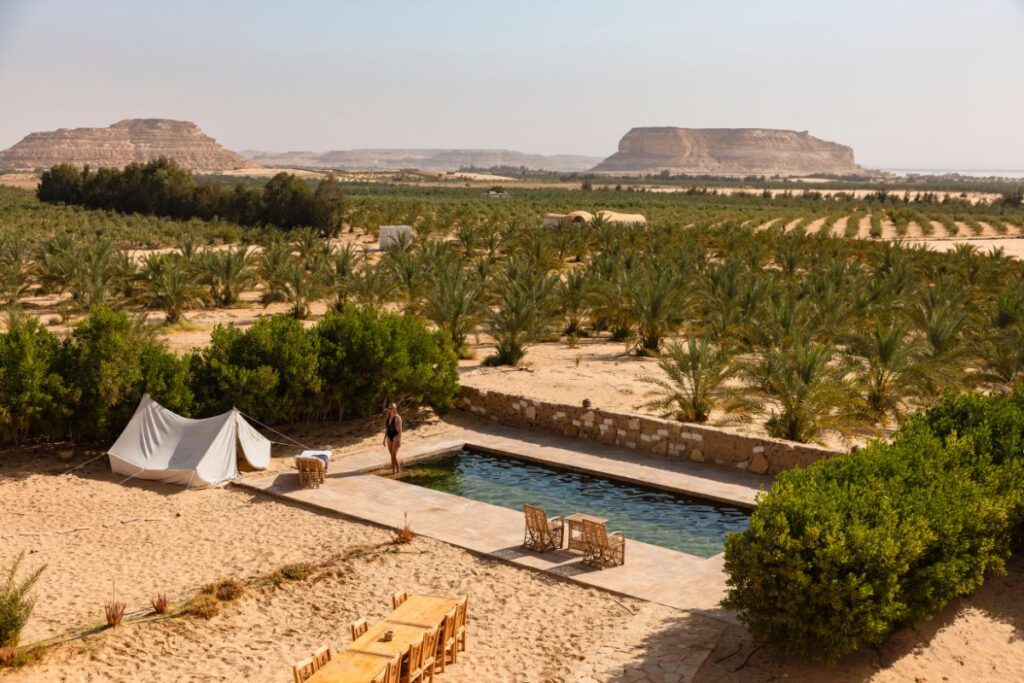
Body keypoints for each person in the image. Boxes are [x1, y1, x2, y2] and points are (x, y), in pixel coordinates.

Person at [384, 402, 403, 475]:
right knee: (392, 456)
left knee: (393, 455)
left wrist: (399, 440)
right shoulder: (388, 417)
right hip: (389, 436)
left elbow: (400, 430)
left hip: (395, 436)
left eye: (391, 408)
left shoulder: (397, 417)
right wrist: (384, 439)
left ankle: (398, 471)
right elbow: (386, 429)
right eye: (389, 408)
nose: (389, 409)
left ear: (395, 409)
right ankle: (393, 472)